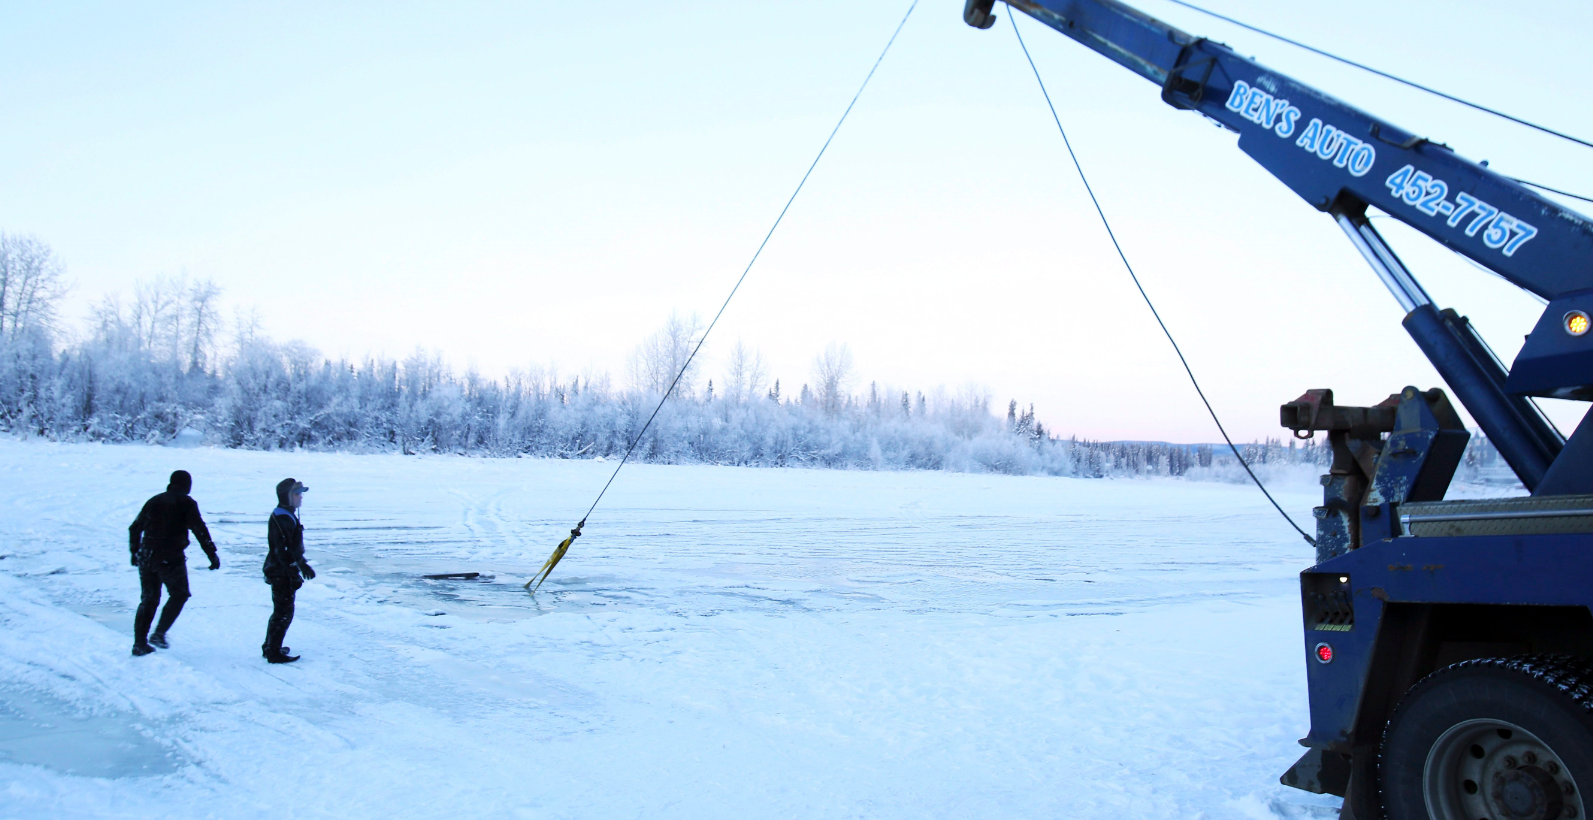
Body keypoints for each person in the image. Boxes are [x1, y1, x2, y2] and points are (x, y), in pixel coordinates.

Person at [128, 469, 220, 656]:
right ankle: (158, 634)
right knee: (180, 594)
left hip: (147, 555)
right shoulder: (186, 503)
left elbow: (134, 527)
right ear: (187, 485)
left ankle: (139, 643)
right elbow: (199, 529)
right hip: (170, 557)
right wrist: (212, 554)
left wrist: (135, 552)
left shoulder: (154, 501)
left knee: (149, 599)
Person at [262, 478, 315, 664]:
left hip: (281, 570)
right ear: (287, 496)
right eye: (297, 493)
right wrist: (293, 572)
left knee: (281, 611)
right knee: (283, 612)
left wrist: (303, 564)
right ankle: (273, 652)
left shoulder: (287, 514)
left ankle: (271, 646)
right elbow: (283, 550)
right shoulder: (283, 517)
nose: (301, 497)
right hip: (280, 571)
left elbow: (292, 548)